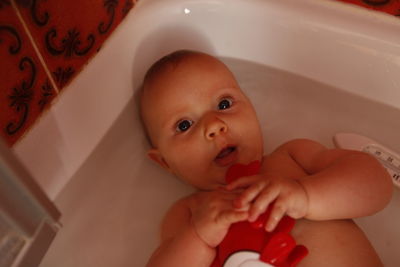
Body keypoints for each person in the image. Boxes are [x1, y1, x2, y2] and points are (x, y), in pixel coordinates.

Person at [140, 50, 393, 267]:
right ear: (165, 162)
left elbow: (376, 185)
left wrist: (306, 195)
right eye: (184, 125)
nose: (214, 125)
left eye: (225, 104)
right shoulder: (190, 213)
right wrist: (199, 236)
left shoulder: (292, 158)